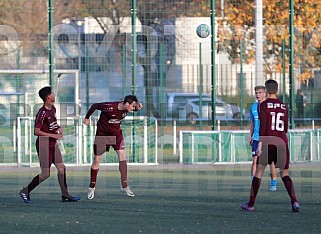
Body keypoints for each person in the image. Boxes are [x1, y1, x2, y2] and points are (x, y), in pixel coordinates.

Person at [241, 79, 300, 212]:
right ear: (277, 90)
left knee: (258, 173)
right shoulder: (284, 106)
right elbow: (285, 128)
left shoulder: (263, 105)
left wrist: (260, 145)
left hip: (268, 142)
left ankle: (251, 204)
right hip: (282, 142)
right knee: (285, 174)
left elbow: (262, 127)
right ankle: (294, 201)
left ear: (266, 91)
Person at [19, 86, 81, 203]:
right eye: (52, 93)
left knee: (62, 168)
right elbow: (36, 131)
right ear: (48, 97)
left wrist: (58, 128)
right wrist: (54, 136)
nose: (54, 94)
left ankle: (65, 195)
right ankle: (25, 191)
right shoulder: (42, 113)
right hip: (44, 145)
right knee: (45, 174)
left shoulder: (53, 109)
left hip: (53, 144)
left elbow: (52, 125)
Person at [84, 95, 143, 199]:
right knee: (97, 160)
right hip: (102, 135)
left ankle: (125, 186)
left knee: (122, 156)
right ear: (127, 104)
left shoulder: (127, 108)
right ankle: (91, 187)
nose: (133, 109)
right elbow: (95, 106)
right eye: (132, 106)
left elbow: (135, 109)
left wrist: (138, 108)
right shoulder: (110, 107)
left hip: (116, 135)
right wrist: (86, 118)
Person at [249, 85, 278, 191]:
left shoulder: (269, 106)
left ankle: (273, 183)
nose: (258, 95)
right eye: (256, 93)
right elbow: (252, 122)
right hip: (256, 137)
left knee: (271, 162)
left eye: (260, 93)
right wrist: (251, 135)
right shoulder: (253, 107)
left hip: (268, 137)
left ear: (265, 93)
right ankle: (254, 182)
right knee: (255, 160)